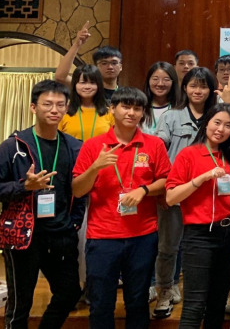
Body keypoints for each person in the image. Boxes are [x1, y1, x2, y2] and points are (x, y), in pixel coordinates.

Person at [0, 80, 85, 329]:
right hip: (23, 235)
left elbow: (79, 190)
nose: (54, 110)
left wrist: (73, 223)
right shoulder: (14, 146)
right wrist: (24, 187)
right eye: (47, 104)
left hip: (61, 234)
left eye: (60, 105)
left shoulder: (74, 146)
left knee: (70, 293)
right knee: (20, 305)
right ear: (33, 107)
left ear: (67, 108)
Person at [72, 87, 170, 329]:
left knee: (138, 302)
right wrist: (95, 167)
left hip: (143, 236)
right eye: (125, 107)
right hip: (102, 237)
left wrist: (144, 190)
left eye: (137, 108)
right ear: (112, 109)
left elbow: (167, 180)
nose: (131, 113)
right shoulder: (94, 146)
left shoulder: (154, 144)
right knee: (101, 303)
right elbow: (77, 190)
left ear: (143, 113)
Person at [165, 104, 230, 329]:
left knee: (217, 303)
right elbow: (170, 197)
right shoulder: (189, 154)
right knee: (194, 305)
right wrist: (201, 178)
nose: (221, 129)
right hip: (199, 236)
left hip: (229, 235)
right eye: (217, 122)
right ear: (206, 123)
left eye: (228, 125)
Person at [153, 66, 218, 319]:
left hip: (208, 195)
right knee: (168, 246)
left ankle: (202, 294)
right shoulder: (171, 116)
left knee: (202, 248)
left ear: (211, 90)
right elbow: (159, 154)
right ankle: (165, 290)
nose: (198, 91)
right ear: (185, 88)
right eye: (193, 85)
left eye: (203, 86)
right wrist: (162, 189)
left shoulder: (217, 116)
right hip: (176, 192)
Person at [58, 64, 114, 142]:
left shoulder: (110, 113)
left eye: (92, 83)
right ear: (75, 85)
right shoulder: (63, 112)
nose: (87, 86)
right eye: (83, 82)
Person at [142, 61, 180, 135]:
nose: (160, 84)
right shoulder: (139, 106)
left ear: (173, 82)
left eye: (166, 79)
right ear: (148, 80)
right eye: (155, 79)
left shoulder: (180, 108)